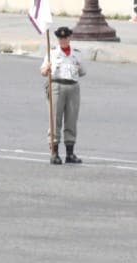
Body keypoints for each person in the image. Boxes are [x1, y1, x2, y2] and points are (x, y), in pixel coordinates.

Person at [40, 26, 85, 165]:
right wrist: (46, 69)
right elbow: (42, 71)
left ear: (70, 38)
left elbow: (83, 71)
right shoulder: (52, 53)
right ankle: (54, 152)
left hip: (72, 87)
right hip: (57, 86)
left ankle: (70, 153)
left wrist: (79, 68)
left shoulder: (76, 53)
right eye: (60, 38)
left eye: (65, 38)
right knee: (55, 119)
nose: (63, 40)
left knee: (71, 119)